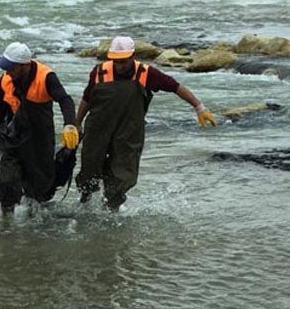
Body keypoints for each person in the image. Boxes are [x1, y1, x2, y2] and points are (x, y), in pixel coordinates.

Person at [75, 36, 217, 210]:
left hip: (128, 132)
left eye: (124, 61)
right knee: (90, 167)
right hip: (98, 129)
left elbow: (175, 87)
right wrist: (76, 123)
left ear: (133, 56)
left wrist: (199, 108)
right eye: (116, 61)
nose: (119, 65)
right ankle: (85, 203)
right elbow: (87, 99)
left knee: (122, 173)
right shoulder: (99, 72)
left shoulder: (146, 73)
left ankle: (112, 210)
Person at [0, 42, 79, 214]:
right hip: (12, 137)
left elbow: (65, 100)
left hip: (39, 140)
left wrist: (70, 125)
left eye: (11, 68)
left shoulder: (46, 77)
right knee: (7, 181)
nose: (7, 72)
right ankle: (7, 220)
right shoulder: (6, 78)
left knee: (40, 189)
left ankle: (32, 221)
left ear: (24, 66)